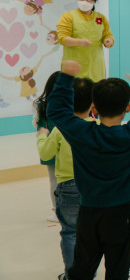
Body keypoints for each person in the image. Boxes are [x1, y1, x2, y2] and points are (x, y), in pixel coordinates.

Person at [46, 60, 130, 280]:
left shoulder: (82, 134)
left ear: (94, 109)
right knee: (119, 270)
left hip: (88, 213)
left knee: (82, 269)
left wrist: (65, 77)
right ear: (128, 107)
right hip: (121, 214)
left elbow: (55, 110)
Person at [37, 76, 94, 280]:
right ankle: (90, 271)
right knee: (90, 233)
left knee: (70, 232)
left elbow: (45, 153)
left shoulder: (61, 128)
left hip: (69, 187)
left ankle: (74, 274)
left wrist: (41, 136)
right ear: (92, 103)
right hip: (93, 187)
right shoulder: (97, 127)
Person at [56, 0, 114, 81]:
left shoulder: (100, 18)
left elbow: (107, 34)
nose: (85, 1)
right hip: (74, 66)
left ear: (94, 1)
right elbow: (63, 39)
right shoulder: (68, 16)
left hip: (95, 66)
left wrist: (108, 40)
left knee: (96, 89)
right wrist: (80, 42)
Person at [33, 71, 62, 223]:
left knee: (53, 180)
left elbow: (37, 124)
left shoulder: (41, 104)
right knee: (70, 179)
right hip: (67, 145)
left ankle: (57, 211)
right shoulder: (70, 104)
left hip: (49, 145)